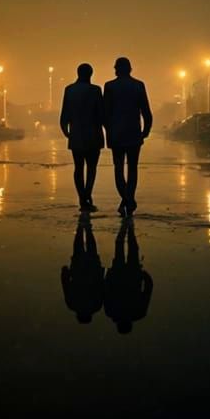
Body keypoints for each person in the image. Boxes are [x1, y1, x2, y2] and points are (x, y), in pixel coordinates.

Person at [101, 56, 153, 216]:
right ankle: (129, 199)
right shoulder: (138, 86)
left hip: (116, 134)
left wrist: (108, 129)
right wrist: (145, 131)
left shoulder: (109, 86)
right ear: (130, 68)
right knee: (132, 169)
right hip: (133, 134)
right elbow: (146, 112)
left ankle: (127, 200)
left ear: (116, 69)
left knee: (118, 168)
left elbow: (104, 113)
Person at [59, 62, 105, 212]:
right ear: (90, 74)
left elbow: (64, 115)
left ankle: (81, 198)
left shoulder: (69, 90)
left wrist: (67, 132)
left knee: (78, 168)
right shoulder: (96, 90)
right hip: (93, 135)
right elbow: (101, 114)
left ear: (78, 73)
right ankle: (87, 195)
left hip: (76, 134)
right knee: (91, 168)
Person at [103, 221, 152, 335]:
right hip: (120, 275)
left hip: (132, 276)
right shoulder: (111, 312)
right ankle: (126, 226)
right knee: (120, 245)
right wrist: (108, 275)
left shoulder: (139, 313)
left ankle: (129, 227)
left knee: (132, 247)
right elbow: (106, 291)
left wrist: (144, 275)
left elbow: (147, 291)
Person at [60, 217, 104, 324]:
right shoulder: (72, 305)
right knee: (79, 245)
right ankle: (82, 224)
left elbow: (102, 287)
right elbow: (66, 285)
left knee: (90, 246)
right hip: (78, 270)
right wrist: (65, 272)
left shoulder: (96, 306)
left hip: (92, 270)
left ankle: (86, 224)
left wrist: (103, 273)